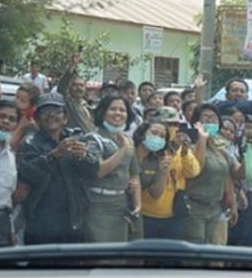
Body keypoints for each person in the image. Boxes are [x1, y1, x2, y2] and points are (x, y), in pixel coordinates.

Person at [17, 93, 91, 244]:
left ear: (65, 118)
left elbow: (94, 170)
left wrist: (85, 156)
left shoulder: (76, 138)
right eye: (45, 112)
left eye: (56, 111)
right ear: (37, 119)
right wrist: (54, 154)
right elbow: (28, 173)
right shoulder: (30, 143)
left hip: (74, 218)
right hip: (42, 220)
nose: (51, 115)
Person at [77, 95, 142, 242]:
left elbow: (134, 174)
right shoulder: (92, 139)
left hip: (121, 205)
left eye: (122, 110)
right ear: (103, 112)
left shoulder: (128, 140)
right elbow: (98, 171)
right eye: (113, 109)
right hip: (99, 205)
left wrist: (137, 204)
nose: (118, 113)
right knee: (100, 253)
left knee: (118, 256)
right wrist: (123, 149)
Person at [134, 118, 201, 239]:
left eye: (176, 124)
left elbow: (193, 172)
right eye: (170, 124)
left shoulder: (180, 148)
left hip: (173, 213)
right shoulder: (151, 152)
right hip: (147, 213)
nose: (173, 127)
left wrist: (185, 152)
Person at [182, 104, 236, 245]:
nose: (210, 121)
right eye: (205, 117)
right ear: (196, 123)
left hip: (214, 208)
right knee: (196, 249)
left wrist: (233, 201)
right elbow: (197, 168)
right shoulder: (190, 146)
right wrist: (202, 138)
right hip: (195, 207)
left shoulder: (220, 149)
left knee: (210, 247)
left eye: (214, 118)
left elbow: (228, 175)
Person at [0, 100, 18, 247]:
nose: (5, 121)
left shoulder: (10, 155)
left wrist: (10, 229)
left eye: (12, 119)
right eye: (1, 116)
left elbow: (8, 198)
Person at [58, 53, 95, 133]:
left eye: (81, 85)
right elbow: (62, 86)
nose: (79, 88)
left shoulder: (87, 107)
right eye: (75, 85)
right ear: (70, 87)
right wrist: (72, 65)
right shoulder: (68, 103)